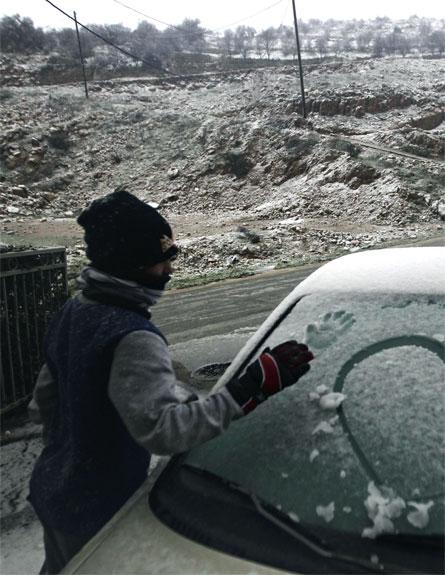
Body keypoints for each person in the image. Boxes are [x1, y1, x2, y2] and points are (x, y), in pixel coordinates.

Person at [28, 189, 314, 574]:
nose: (170, 270)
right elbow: (164, 432)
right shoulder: (132, 336)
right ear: (130, 262)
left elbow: (43, 403)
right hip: (103, 513)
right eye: (161, 260)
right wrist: (245, 391)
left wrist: (74, 447)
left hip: (55, 493)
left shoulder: (74, 312)